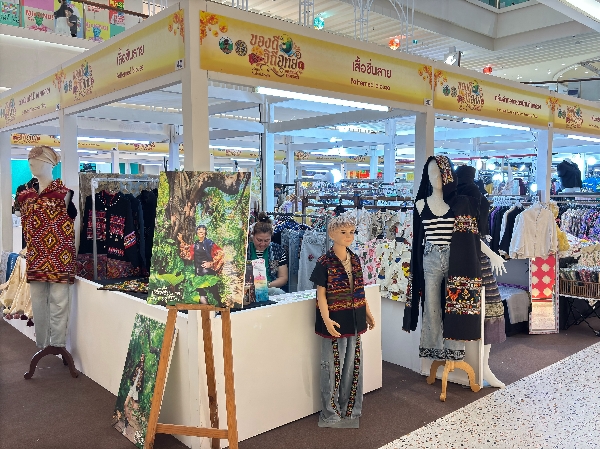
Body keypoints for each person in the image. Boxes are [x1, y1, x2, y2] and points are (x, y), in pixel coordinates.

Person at [310, 212, 375, 428]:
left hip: (355, 320)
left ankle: (351, 409)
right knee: (332, 368)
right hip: (335, 322)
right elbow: (320, 295)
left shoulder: (355, 259)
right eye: (343, 232)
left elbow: (359, 290)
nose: (349, 236)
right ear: (332, 234)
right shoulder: (324, 262)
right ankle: (330, 412)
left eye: (352, 232)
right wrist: (326, 319)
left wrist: (368, 313)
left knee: (353, 368)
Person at [178, 225, 224, 304]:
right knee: (202, 297)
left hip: (209, 276)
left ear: (205, 232)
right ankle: (206, 311)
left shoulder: (209, 243)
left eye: (203, 229)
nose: (201, 231)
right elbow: (188, 252)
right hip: (198, 276)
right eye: (199, 229)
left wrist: (211, 263)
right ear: (196, 232)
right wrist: (181, 240)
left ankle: (217, 310)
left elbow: (221, 253)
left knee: (214, 297)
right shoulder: (195, 245)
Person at [247, 213, 288, 296]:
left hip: (269, 287)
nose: (262, 244)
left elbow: (283, 277)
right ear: (253, 236)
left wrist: (266, 285)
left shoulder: (278, 251)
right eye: (259, 240)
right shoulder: (245, 250)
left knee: (279, 292)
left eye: (266, 240)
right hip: (247, 288)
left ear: (271, 238)